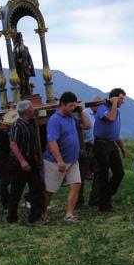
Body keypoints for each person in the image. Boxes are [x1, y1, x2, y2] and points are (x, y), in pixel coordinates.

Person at [42, 92, 91, 222]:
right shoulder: (55, 120)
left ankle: (69, 214)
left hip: (73, 160)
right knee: (49, 190)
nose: (72, 108)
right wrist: (59, 161)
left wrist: (81, 110)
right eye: (70, 105)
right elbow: (52, 142)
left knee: (76, 184)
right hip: (55, 162)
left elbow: (87, 125)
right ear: (62, 104)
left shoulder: (71, 117)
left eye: (74, 105)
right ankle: (42, 212)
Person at [6, 100, 44, 226]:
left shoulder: (30, 124)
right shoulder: (17, 124)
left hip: (31, 160)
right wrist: (22, 161)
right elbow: (13, 144)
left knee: (37, 188)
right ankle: (12, 218)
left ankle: (34, 218)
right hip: (19, 162)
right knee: (16, 191)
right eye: (32, 107)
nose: (34, 109)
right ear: (26, 110)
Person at [93, 88, 128, 212]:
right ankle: (104, 204)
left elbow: (115, 132)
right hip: (101, 144)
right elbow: (111, 118)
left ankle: (105, 197)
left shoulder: (116, 111)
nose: (123, 102)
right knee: (103, 175)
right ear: (114, 98)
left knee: (119, 172)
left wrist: (123, 148)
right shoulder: (103, 108)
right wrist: (113, 103)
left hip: (111, 144)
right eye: (121, 99)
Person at [79, 96, 101, 207]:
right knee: (81, 174)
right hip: (86, 146)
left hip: (95, 146)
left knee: (98, 172)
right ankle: (79, 201)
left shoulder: (98, 115)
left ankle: (94, 199)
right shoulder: (85, 113)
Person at [13, 32, 36, 97]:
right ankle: (23, 93)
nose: (21, 39)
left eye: (21, 37)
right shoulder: (16, 48)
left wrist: (30, 64)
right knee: (22, 81)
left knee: (27, 80)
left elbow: (29, 57)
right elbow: (14, 58)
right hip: (20, 68)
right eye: (20, 37)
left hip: (26, 67)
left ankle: (27, 92)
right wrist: (17, 60)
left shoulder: (25, 48)